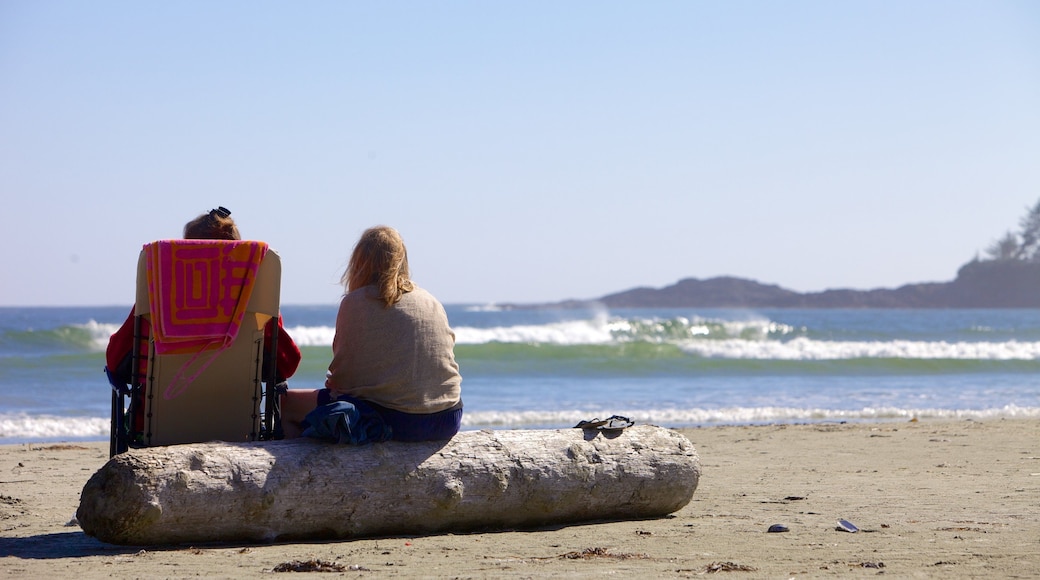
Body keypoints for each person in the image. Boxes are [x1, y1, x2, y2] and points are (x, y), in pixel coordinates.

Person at [281, 225, 463, 442]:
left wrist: (341, 383)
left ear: (359, 262)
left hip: (399, 422)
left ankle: (302, 473)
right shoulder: (430, 299)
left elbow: (343, 378)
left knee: (287, 404)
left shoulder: (355, 301)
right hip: (448, 417)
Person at [105, 206, 301, 391]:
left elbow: (115, 360)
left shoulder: (158, 298)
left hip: (152, 423)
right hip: (240, 424)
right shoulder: (258, 304)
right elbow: (287, 364)